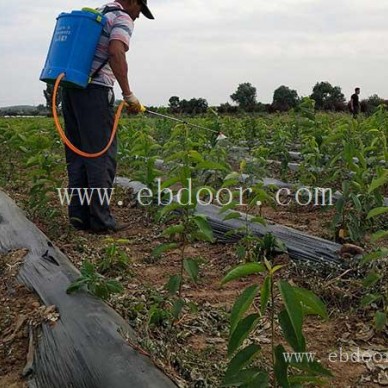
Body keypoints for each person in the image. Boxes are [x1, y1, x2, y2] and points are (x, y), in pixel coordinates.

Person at [61, 0, 154, 233]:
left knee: (78, 156)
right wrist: (128, 94)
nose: (138, 16)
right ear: (132, 1)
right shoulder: (122, 18)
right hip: (95, 91)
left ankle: (79, 219)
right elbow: (115, 51)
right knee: (101, 158)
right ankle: (101, 222)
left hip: (70, 89)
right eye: (139, 10)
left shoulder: (98, 13)